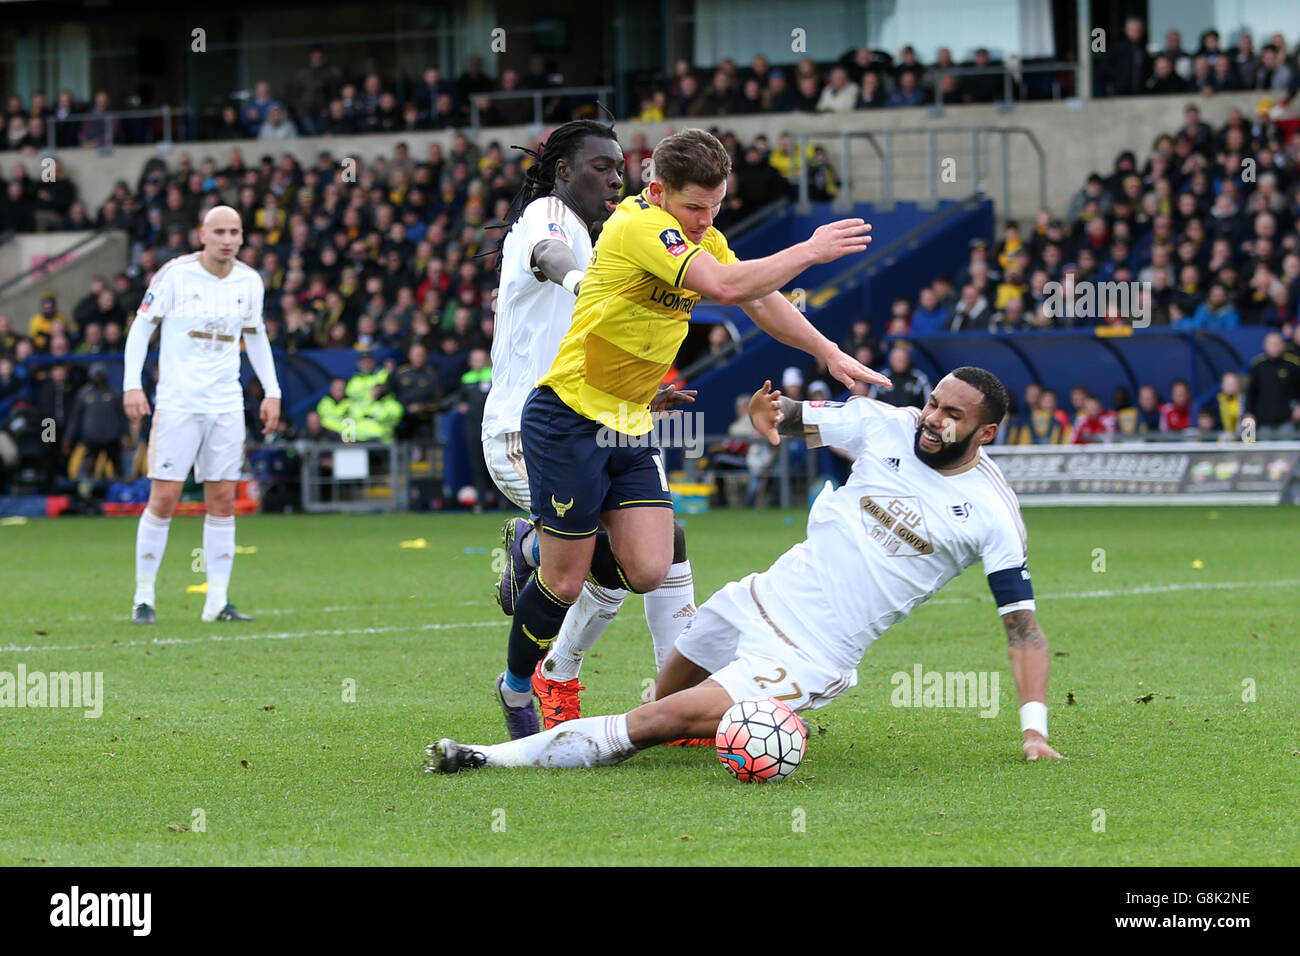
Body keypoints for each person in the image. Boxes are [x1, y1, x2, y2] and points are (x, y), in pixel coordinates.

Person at [426, 367, 1062, 772]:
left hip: (813, 651)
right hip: (753, 600)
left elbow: (1023, 629)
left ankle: (483, 759)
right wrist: (770, 415)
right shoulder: (882, 424)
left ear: (988, 432)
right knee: (662, 707)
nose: (932, 419)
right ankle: (735, 722)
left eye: (953, 415)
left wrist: (1033, 733)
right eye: (933, 403)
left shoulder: (993, 515)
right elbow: (794, 417)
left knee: (652, 723)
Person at [491, 126, 889, 742]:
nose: (706, 220)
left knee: (651, 567)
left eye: (717, 206)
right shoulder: (638, 225)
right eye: (695, 207)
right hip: (567, 415)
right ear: (658, 191)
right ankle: (519, 685)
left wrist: (829, 353)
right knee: (568, 582)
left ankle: (537, 547)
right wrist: (810, 249)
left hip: (628, 420)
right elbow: (728, 288)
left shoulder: (697, 234)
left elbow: (760, 301)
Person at [482, 118, 703, 742]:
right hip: (531, 431)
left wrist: (641, 389)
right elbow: (549, 260)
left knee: (657, 551)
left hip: (602, 418)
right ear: (563, 171)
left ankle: (670, 700)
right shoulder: (547, 217)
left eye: (620, 167)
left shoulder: (602, 236)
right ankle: (547, 670)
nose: (615, 176)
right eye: (602, 166)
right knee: (590, 564)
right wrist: (580, 280)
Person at [122, 206, 281, 624]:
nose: (227, 239)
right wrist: (132, 384)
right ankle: (143, 597)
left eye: (235, 232)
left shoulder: (249, 281)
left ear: (243, 237)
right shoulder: (175, 275)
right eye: (219, 232)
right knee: (165, 497)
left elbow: (256, 334)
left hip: (226, 404)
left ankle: (217, 603)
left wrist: (272, 390)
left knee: (224, 499)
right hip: (178, 403)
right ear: (202, 235)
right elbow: (141, 328)